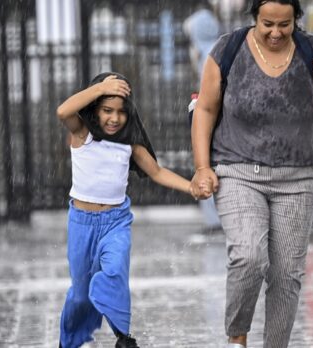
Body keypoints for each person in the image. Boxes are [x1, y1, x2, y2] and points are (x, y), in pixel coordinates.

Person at [190, 0, 313, 346]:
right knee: (248, 256)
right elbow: (205, 108)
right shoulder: (228, 49)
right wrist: (203, 168)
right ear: (254, 18)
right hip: (238, 170)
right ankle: (237, 337)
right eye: (267, 24)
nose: (276, 32)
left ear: (296, 21)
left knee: (286, 275)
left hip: (297, 177)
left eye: (284, 24)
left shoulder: (311, 50)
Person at [56, 72, 208, 348]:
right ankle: (71, 341)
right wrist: (101, 87)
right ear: (94, 109)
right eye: (106, 111)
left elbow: (157, 172)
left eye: (121, 112)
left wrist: (192, 188)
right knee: (80, 295)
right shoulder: (82, 134)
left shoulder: (130, 144)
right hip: (81, 223)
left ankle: (123, 336)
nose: (114, 118)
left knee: (114, 272)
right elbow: (63, 110)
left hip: (116, 221)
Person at [184, 1, 224, 232]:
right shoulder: (213, 47)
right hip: (211, 117)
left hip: (209, 119)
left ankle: (215, 219)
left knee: (205, 163)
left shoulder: (207, 54)